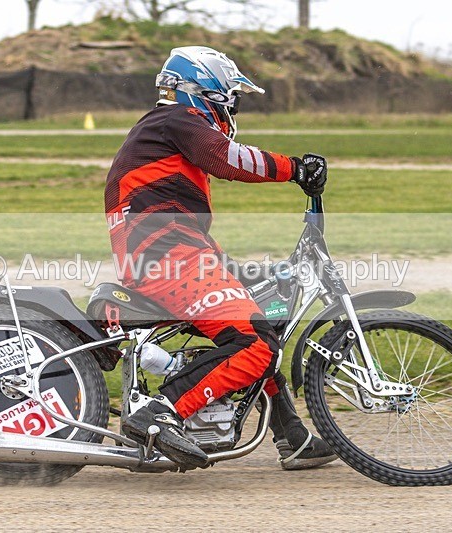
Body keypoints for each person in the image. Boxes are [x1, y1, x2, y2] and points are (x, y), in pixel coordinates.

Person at [104, 46, 334, 470]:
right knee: (256, 344)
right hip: (169, 258)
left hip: (171, 254)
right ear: (207, 92)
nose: (233, 108)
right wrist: (296, 168)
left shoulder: (161, 131)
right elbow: (227, 159)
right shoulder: (175, 120)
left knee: (260, 317)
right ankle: (159, 414)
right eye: (232, 97)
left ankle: (292, 437)